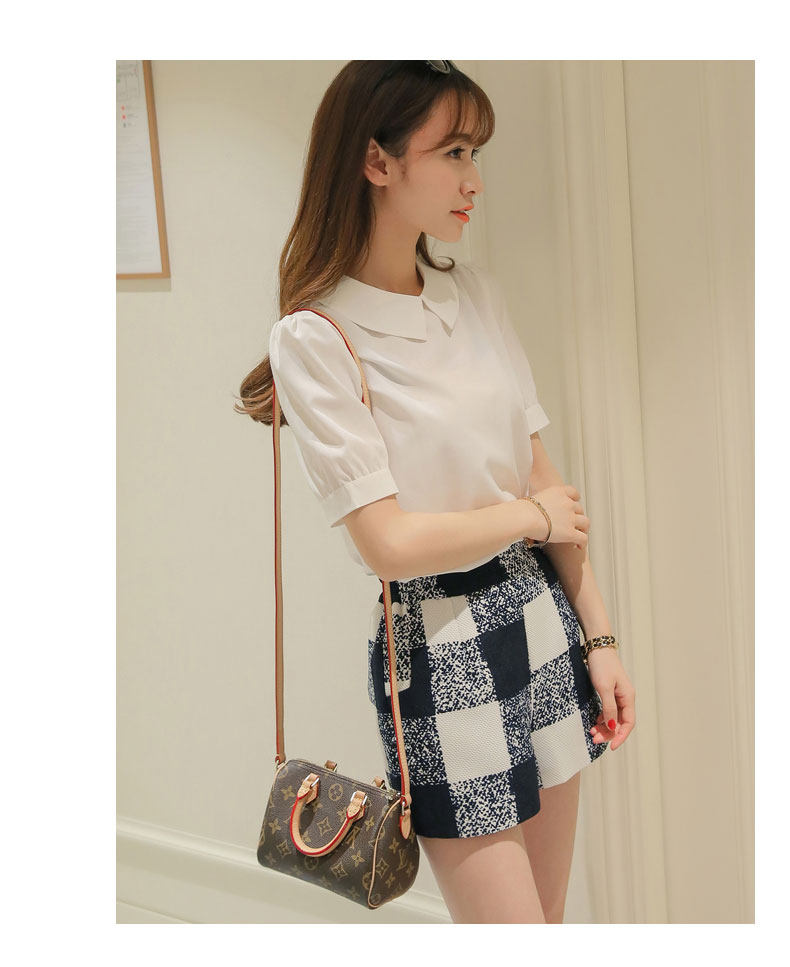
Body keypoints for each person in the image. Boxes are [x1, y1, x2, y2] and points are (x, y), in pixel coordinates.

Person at [235, 60, 636, 924]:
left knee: (548, 924)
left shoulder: (474, 294)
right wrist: (525, 517)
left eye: (474, 152)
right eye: (453, 152)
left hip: (541, 616)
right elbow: (389, 543)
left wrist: (599, 636)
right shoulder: (315, 336)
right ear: (375, 161)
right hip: (440, 638)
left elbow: (546, 480)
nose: (473, 179)